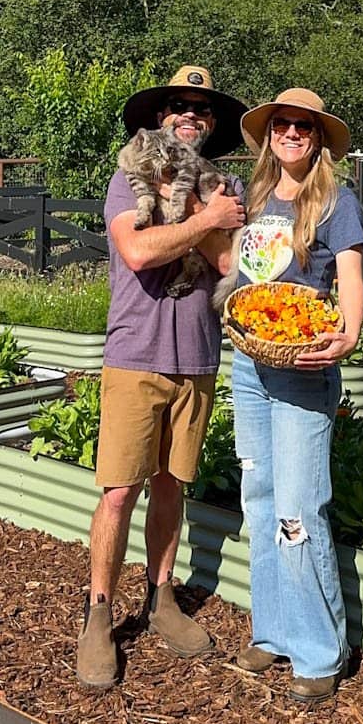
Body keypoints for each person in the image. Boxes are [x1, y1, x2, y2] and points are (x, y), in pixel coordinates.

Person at [76, 64, 246, 690]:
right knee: (120, 490)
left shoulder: (224, 186)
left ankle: (160, 598)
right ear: (160, 117)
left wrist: (204, 214)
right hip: (136, 353)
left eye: (200, 110)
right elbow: (139, 251)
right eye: (179, 107)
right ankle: (98, 615)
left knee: (172, 484)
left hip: (197, 355)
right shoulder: (130, 179)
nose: (190, 117)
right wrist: (205, 219)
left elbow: (231, 262)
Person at [227, 87, 363, 704]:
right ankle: (274, 628)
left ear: (317, 137)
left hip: (304, 363)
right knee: (258, 496)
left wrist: (350, 333)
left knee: (299, 507)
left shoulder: (337, 201)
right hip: (249, 363)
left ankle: (317, 649)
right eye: (281, 124)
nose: (291, 133)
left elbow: (351, 277)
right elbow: (234, 270)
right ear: (269, 134)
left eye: (303, 126)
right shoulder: (252, 197)